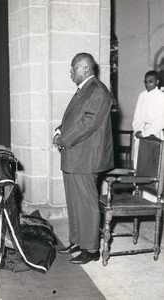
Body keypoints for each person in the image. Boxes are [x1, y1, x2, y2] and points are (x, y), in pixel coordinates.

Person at [53, 53, 114, 264]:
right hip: (75, 154)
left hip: (85, 157)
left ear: (86, 68)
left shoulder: (97, 91)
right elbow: (75, 119)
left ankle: (91, 249)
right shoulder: (84, 90)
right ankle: (77, 240)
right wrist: (60, 130)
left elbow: (88, 123)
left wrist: (63, 140)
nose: (71, 72)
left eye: (73, 68)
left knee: (86, 203)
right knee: (74, 201)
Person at [132, 70, 164, 167]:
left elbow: (161, 119)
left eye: (151, 81)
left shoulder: (161, 96)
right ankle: (138, 182)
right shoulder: (142, 95)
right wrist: (137, 130)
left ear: (157, 82)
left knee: (152, 163)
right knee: (139, 162)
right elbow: (137, 115)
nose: (148, 84)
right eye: (146, 81)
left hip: (154, 133)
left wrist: (147, 133)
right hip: (141, 131)